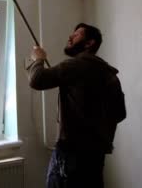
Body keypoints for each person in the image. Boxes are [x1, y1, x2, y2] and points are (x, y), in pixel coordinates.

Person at [26, 23, 126, 188]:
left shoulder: (76, 65)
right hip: (95, 156)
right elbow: (120, 113)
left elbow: (37, 80)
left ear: (89, 43)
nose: (70, 37)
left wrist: (39, 59)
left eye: (77, 34)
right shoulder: (109, 73)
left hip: (71, 154)